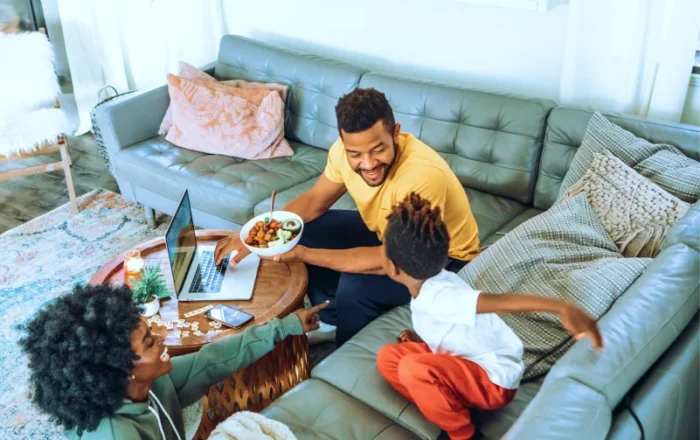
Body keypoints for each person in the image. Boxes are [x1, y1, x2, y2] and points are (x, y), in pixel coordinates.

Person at [215, 88, 480, 346]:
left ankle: (345, 346)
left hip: (441, 260)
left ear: (395, 133)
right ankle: (332, 319)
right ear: (344, 144)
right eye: (356, 154)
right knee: (305, 228)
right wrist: (256, 235)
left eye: (378, 150)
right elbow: (315, 201)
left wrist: (305, 254)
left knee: (356, 284)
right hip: (387, 233)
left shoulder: (421, 176)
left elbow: (390, 259)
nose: (368, 164)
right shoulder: (341, 153)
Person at [376, 193, 604, 440]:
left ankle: (463, 433)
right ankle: (447, 404)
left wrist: (562, 306)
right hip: (463, 362)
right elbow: (449, 328)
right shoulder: (430, 283)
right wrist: (421, 339)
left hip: (493, 381)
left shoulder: (442, 296)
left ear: (393, 267)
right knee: (388, 358)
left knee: (412, 368)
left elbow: (501, 302)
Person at [19, 284, 327, 440]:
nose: (163, 341)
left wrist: (286, 326)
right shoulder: (116, 434)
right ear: (120, 370)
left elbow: (212, 360)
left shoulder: (148, 383)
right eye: (150, 342)